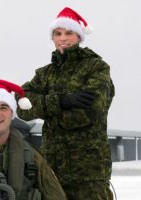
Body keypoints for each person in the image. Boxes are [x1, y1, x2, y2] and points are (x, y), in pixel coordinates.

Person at [17, 7, 115, 200]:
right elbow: (21, 105)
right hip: (52, 170)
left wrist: (45, 110)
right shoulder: (44, 74)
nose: (62, 38)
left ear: (78, 36)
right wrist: (63, 100)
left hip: (88, 173)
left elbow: (91, 112)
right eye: (57, 33)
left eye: (69, 33)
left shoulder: (96, 68)